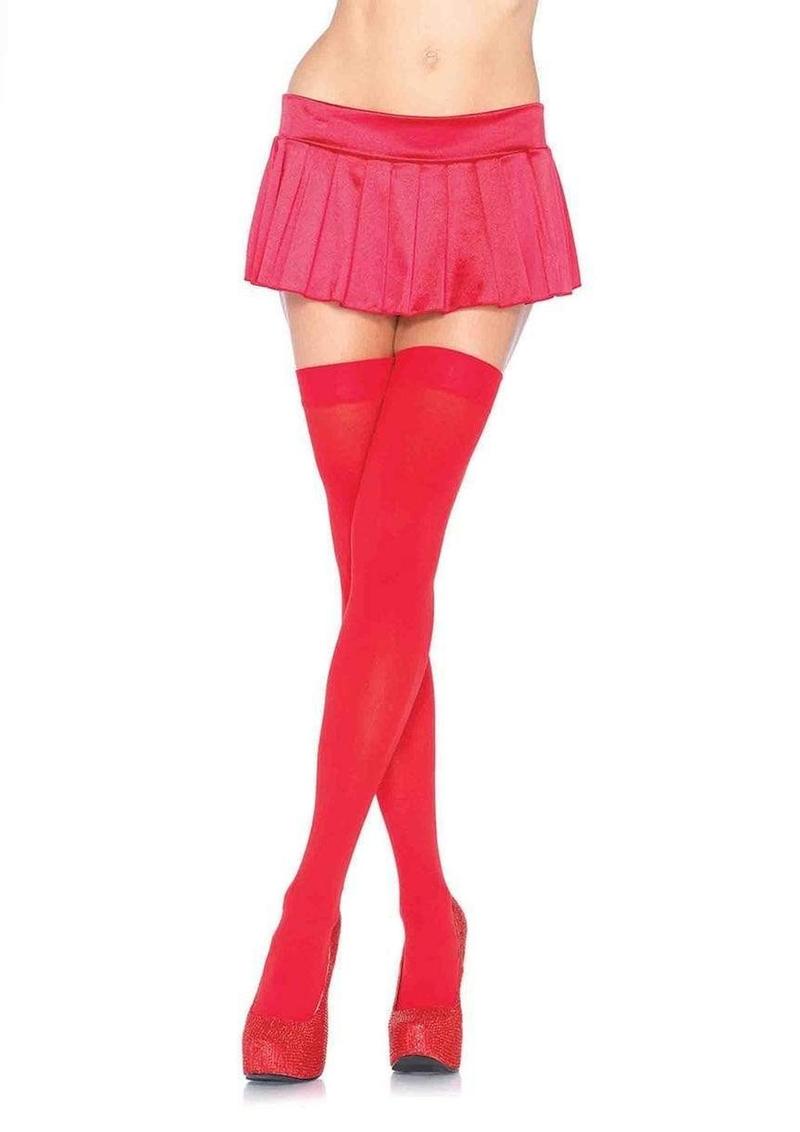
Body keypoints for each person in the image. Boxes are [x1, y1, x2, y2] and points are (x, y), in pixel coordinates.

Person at [242, 0, 579, 1080]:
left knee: (392, 558)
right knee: (379, 592)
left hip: (487, 173)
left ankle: (309, 911)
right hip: (337, 152)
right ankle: (431, 915)